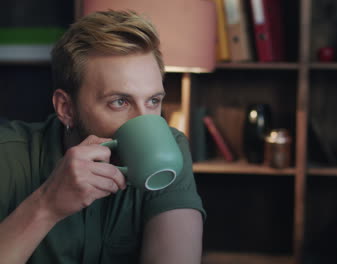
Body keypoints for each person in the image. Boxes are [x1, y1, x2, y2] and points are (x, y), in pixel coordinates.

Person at [0, 10, 205, 264]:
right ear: (66, 108)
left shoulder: (168, 150)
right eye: (119, 102)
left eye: (153, 101)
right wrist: (46, 206)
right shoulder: (9, 155)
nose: (145, 120)